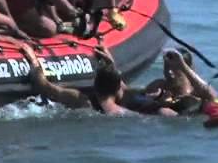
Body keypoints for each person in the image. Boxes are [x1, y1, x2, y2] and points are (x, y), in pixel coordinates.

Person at [21, 45, 173, 116]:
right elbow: (122, 87)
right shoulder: (127, 109)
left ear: (95, 83)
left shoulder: (82, 101)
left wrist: (33, 61)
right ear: (117, 88)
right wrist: (111, 64)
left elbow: (45, 86)